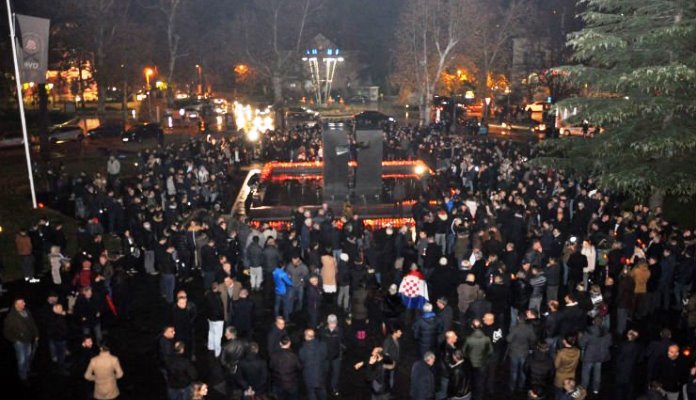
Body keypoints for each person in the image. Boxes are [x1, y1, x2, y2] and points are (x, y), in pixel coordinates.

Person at [3, 297, 39, 383]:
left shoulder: (26, 311)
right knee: (22, 360)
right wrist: (15, 340)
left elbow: (32, 323)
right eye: (22, 302)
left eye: (24, 302)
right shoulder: (11, 317)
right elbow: (6, 331)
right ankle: (23, 377)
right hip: (19, 342)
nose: (24, 304)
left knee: (28, 356)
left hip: (29, 339)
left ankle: (26, 371)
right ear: (16, 305)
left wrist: (37, 334)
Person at [299, 328, 328, 400]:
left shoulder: (303, 349)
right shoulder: (322, 345)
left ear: (306, 336)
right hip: (320, 373)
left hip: (309, 376)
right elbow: (324, 356)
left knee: (311, 393)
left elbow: (302, 360)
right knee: (322, 390)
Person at [269, 335, 302, 400]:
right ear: (289, 343)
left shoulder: (273, 356)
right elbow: (300, 367)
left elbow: (271, 367)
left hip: (278, 384)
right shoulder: (293, 356)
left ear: (280, 343)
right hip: (291, 384)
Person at [321, 314, 344, 396]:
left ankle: (334, 387)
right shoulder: (323, 330)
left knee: (336, 373)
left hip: (336, 356)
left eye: (334, 322)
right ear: (327, 322)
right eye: (331, 322)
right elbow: (321, 343)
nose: (332, 324)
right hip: (326, 357)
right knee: (324, 372)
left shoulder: (339, 331)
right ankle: (322, 387)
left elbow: (342, 341)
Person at [205, 281, 225, 357]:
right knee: (218, 335)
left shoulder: (208, 295)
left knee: (211, 332)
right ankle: (217, 352)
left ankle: (210, 346)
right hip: (218, 319)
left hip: (210, 317)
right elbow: (220, 309)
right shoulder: (218, 296)